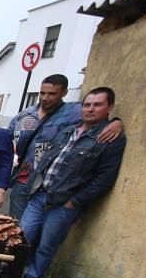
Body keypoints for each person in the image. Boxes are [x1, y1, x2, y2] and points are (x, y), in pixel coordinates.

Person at [19, 87, 126, 278]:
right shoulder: (69, 129)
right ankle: (11, 273)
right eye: (87, 105)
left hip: (65, 202)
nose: (90, 109)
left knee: (47, 244)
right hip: (40, 194)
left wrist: (75, 202)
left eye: (97, 105)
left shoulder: (109, 137)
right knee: (22, 236)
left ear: (109, 107)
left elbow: (105, 178)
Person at [7, 73, 123, 221]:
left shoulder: (74, 111)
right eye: (42, 93)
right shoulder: (26, 114)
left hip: (50, 185)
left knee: (37, 231)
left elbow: (96, 116)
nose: (45, 98)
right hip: (24, 179)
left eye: (51, 94)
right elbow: (7, 138)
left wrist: (116, 122)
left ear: (64, 93)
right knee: (15, 226)